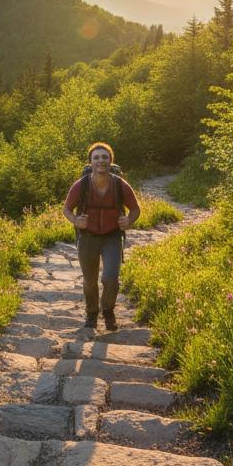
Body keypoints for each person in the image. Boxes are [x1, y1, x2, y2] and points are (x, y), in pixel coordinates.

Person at [62, 142, 140, 331]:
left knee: (111, 278)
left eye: (104, 157)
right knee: (89, 280)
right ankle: (91, 314)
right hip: (87, 237)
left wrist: (128, 221)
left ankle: (108, 311)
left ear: (110, 160)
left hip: (112, 237)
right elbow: (66, 208)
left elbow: (136, 209)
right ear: (90, 162)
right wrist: (75, 220)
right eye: (96, 157)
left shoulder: (120, 184)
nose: (100, 161)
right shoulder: (81, 185)